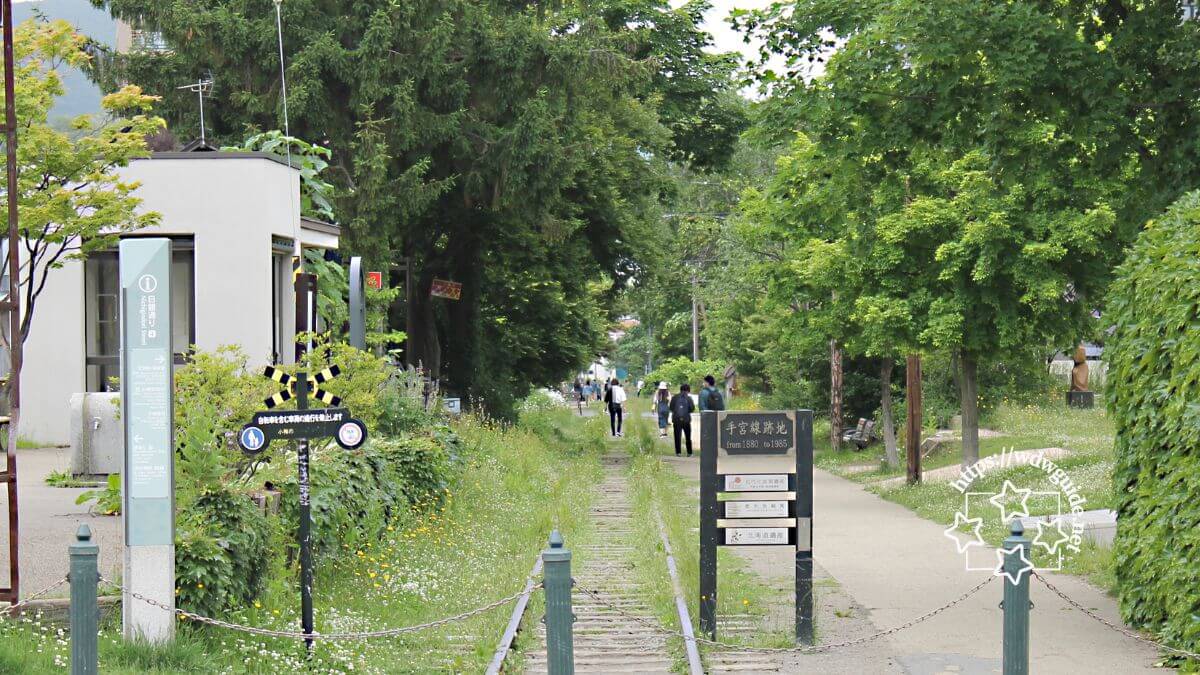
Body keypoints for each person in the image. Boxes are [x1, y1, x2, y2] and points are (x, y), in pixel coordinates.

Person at [670, 383, 696, 456]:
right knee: (688, 436)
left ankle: (678, 452)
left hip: (676, 420)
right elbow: (692, 409)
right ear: (688, 390)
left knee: (677, 436)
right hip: (686, 420)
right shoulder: (689, 398)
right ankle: (689, 453)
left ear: (680, 389)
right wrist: (686, 412)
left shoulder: (675, 397)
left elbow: (671, 408)